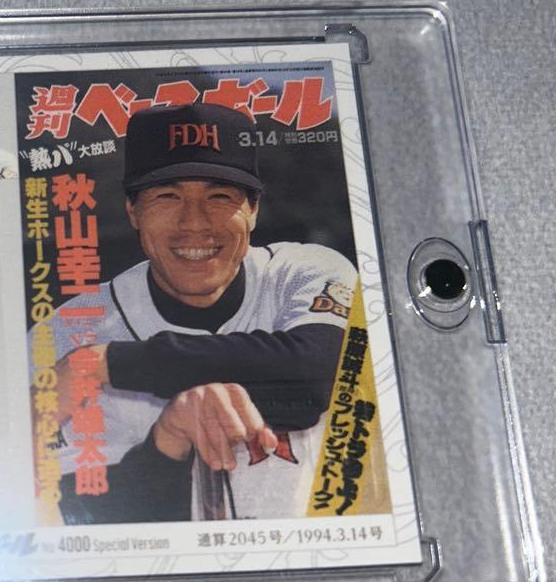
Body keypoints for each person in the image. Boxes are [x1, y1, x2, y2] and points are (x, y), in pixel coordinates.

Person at [44, 101, 358, 524]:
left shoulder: (302, 273)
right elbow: (82, 516)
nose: (194, 222)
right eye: (167, 196)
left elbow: (317, 372)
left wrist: (105, 362)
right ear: (133, 211)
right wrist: (166, 441)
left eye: (220, 196)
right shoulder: (67, 331)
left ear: (253, 209)